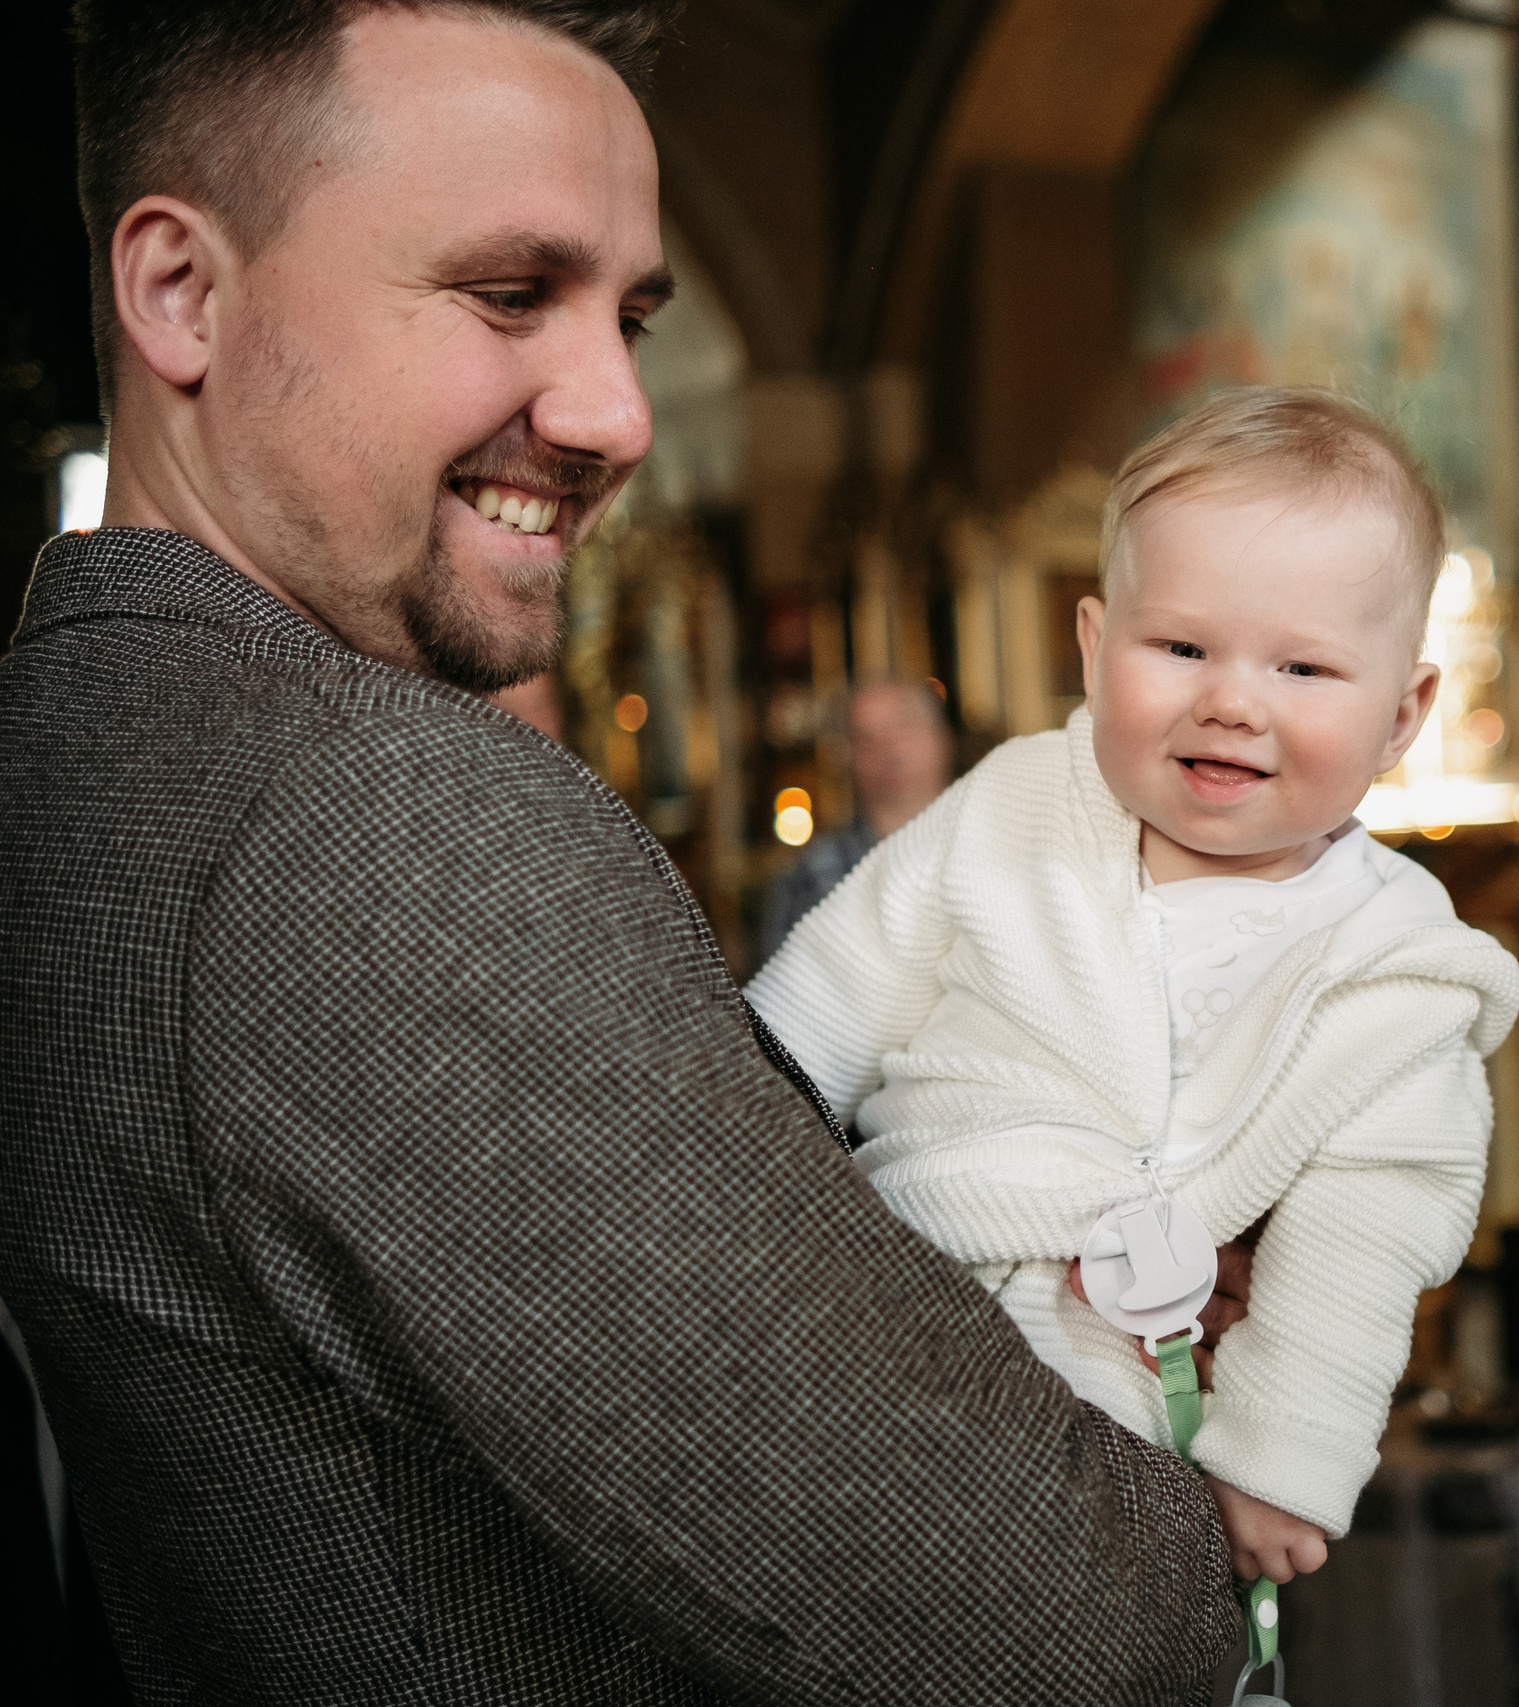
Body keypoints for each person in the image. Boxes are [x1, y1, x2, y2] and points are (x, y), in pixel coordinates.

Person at [0, 1, 1235, 1700]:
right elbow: (1078, 1628)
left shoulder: (68, 741)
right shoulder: (383, 825)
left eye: (634, 315)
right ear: (181, 293)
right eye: (512, 292)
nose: (617, 413)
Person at [749, 388, 1519, 1584]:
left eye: (1306, 667)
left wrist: (1275, 1459)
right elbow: (834, 989)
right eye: (1180, 648)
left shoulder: (1394, 970)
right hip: (891, 1289)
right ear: (1095, 648)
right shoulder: (1012, 807)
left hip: (1137, 1385)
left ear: (1402, 715)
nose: (1233, 699)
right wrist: (735, 1138)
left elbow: (1366, 1229)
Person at [763, 680, 955, 960]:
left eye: (903, 724)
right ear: (844, 757)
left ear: (942, 734)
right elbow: (784, 992)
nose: (889, 748)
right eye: (865, 737)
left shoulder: (1001, 836)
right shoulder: (812, 873)